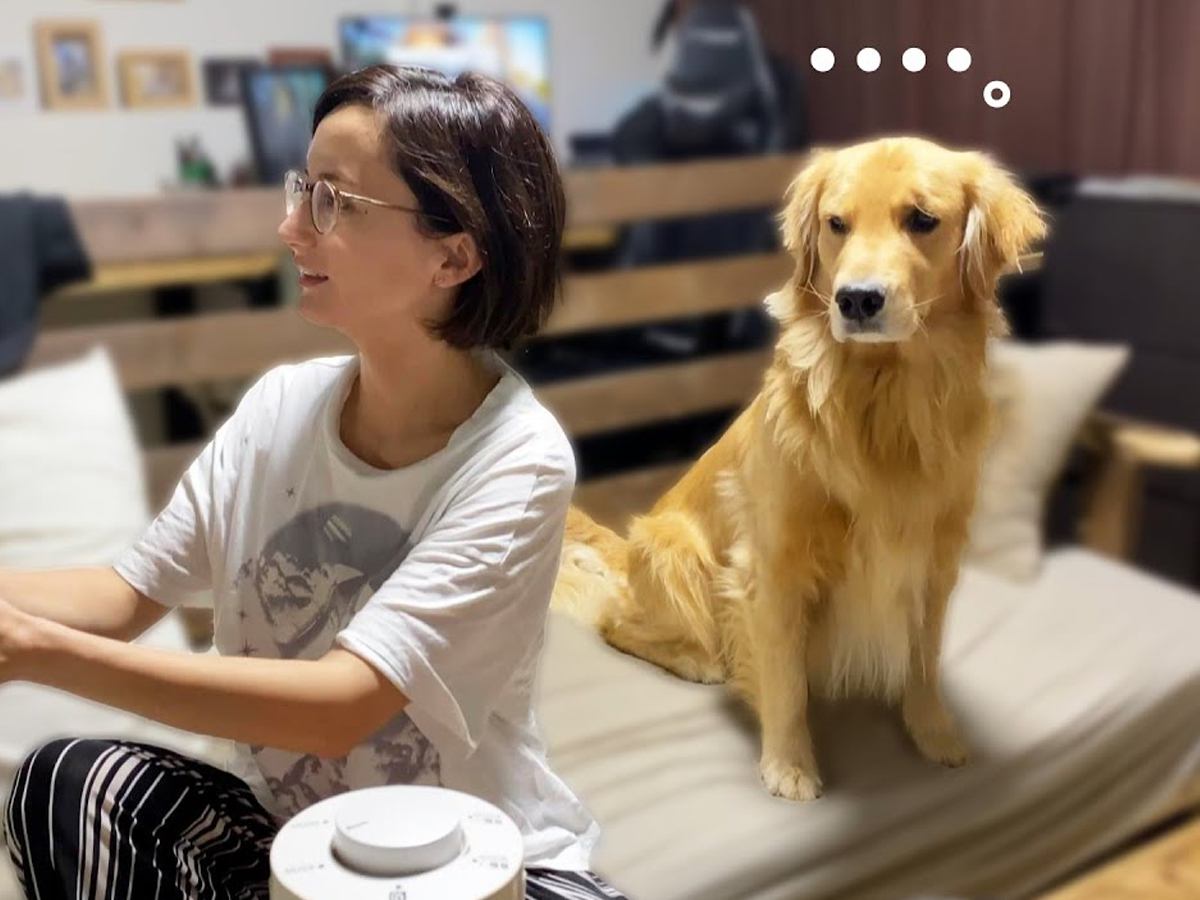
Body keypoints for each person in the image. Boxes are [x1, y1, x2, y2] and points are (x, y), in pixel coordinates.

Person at [0, 65, 628, 900]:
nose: (292, 227)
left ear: (453, 255)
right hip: (286, 842)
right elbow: (124, 596)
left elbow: (340, 706)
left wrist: (39, 654)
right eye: (303, 190)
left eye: (334, 200)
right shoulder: (279, 408)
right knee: (67, 783)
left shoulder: (518, 459)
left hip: (465, 855)